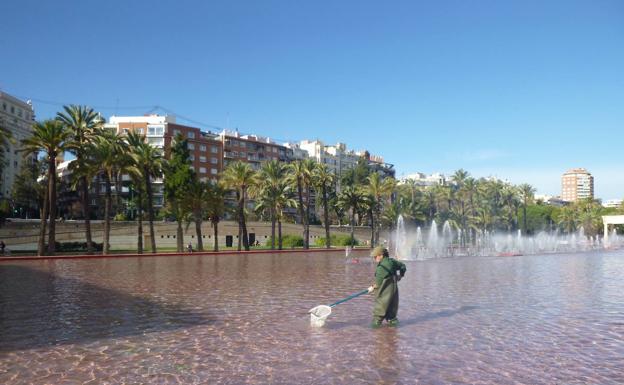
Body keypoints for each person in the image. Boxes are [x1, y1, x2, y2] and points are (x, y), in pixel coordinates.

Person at [368, 246, 406, 328]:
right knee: (392, 317)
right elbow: (403, 266)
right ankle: (394, 334)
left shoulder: (381, 268)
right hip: (394, 293)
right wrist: (400, 275)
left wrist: (371, 288)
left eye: (375, 256)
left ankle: (373, 332)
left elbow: (378, 284)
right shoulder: (392, 262)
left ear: (381, 255)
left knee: (378, 316)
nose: (374, 258)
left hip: (384, 294)